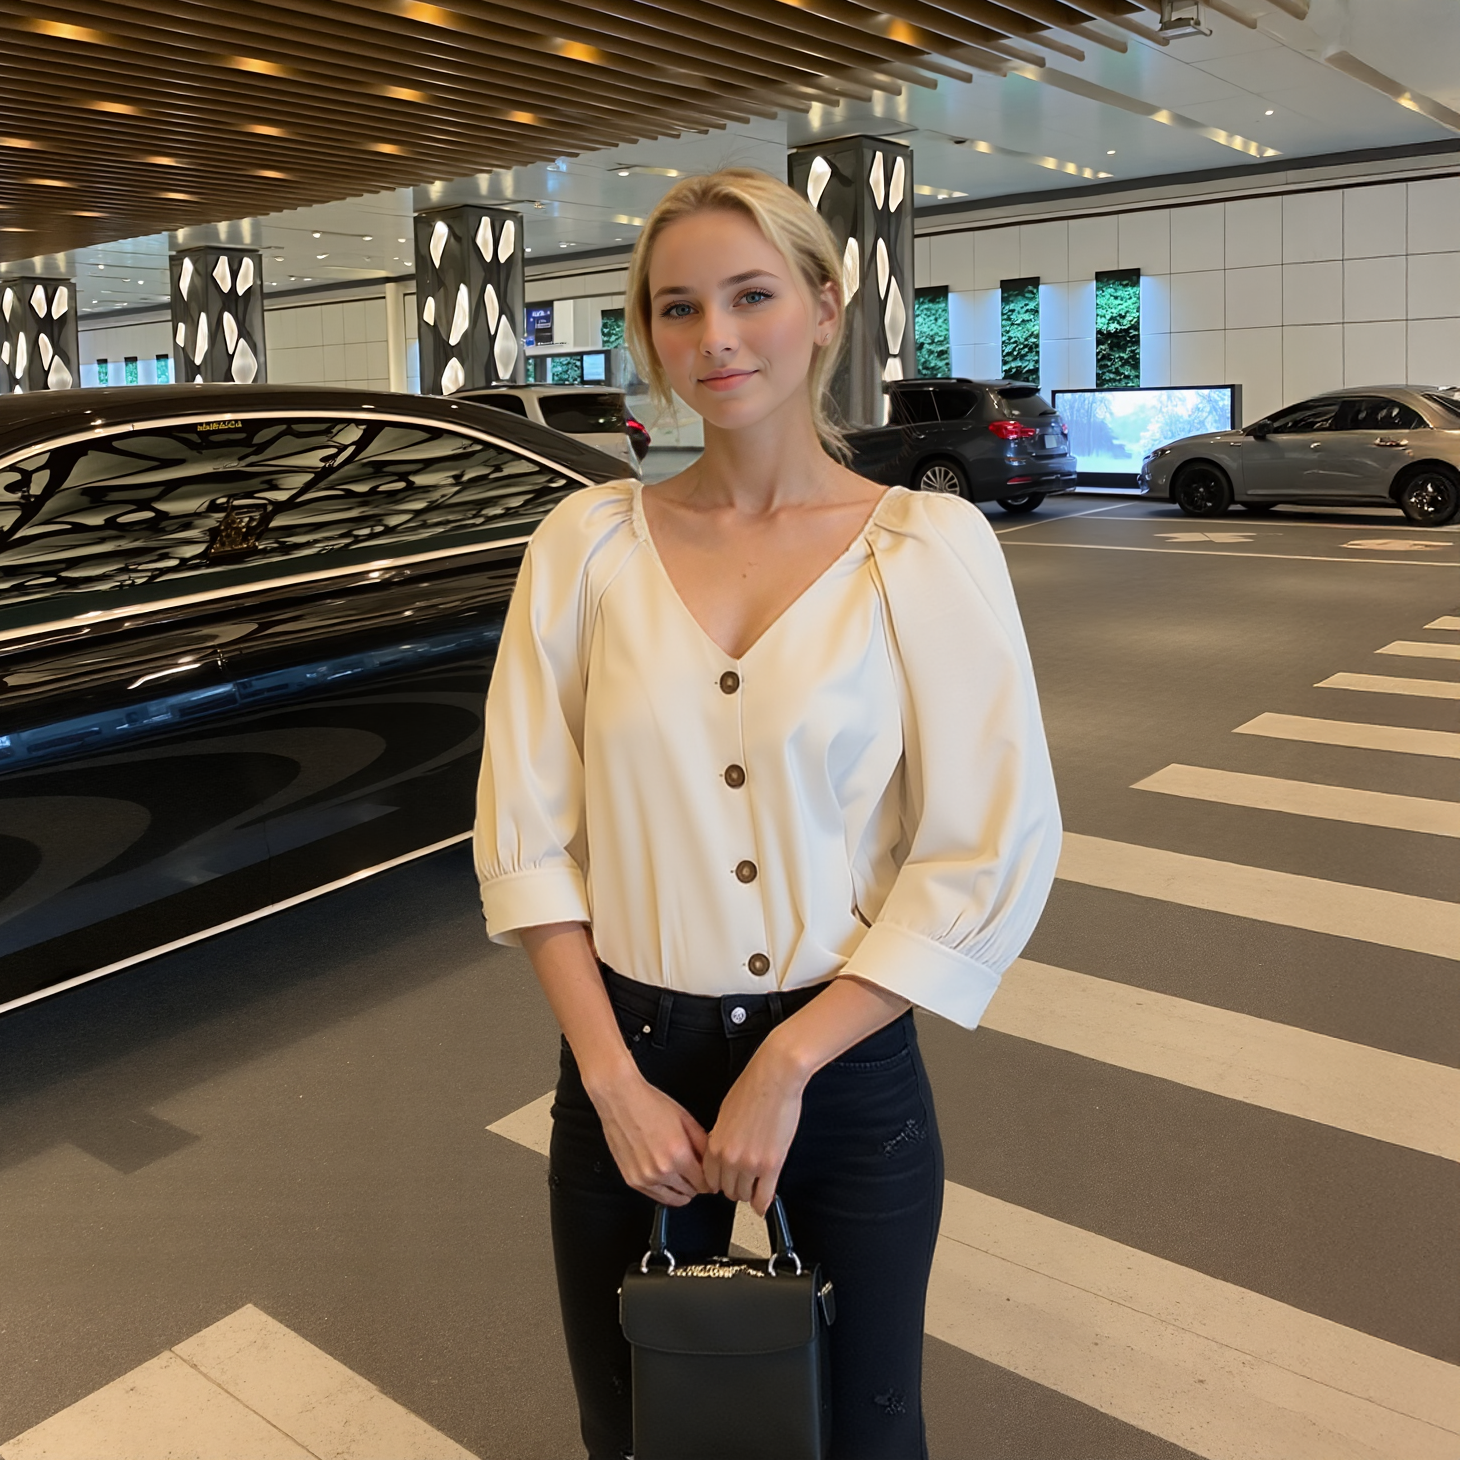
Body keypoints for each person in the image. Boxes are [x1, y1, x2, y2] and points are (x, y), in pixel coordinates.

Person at [474, 167, 1061, 1460]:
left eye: (751, 296)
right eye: (677, 309)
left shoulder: (923, 547)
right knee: (637, 1425)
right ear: (647, 335)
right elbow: (527, 836)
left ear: (825, 307)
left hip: (842, 1070)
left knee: (866, 1429)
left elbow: (988, 838)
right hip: (625, 1063)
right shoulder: (585, 546)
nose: (716, 338)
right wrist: (614, 1082)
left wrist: (793, 1059)